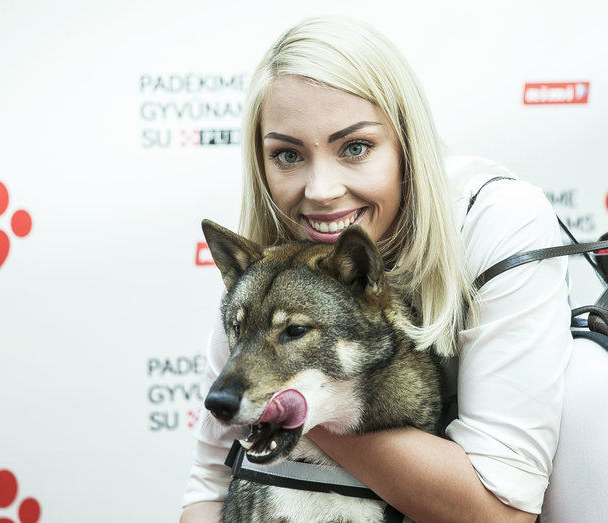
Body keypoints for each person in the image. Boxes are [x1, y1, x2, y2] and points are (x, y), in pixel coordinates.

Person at [180, 16, 608, 522]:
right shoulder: (274, 266)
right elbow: (210, 483)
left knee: (588, 383)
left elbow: (501, 514)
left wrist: (290, 401)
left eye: (355, 148)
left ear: (407, 141)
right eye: (288, 154)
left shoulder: (495, 218)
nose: (321, 190)